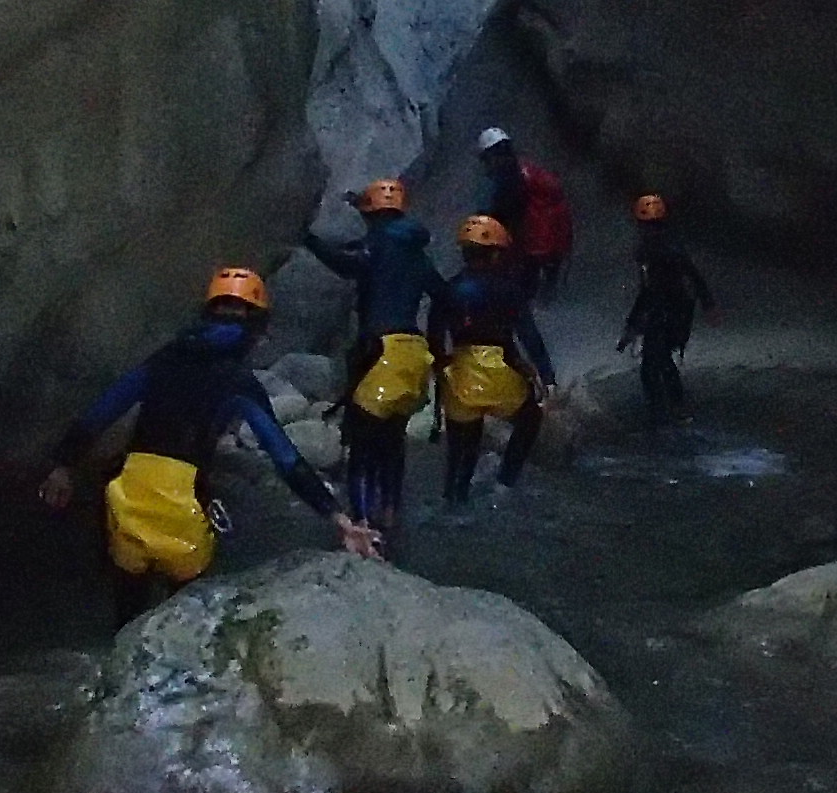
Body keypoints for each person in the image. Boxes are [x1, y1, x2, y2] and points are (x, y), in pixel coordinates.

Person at [40, 267, 377, 624]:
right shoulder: (239, 382)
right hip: (182, 516)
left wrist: (63, 464)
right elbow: (286, 458)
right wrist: (338, 517)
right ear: (257, 326)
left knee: (126, 617)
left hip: (128, 503)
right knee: (183, 622)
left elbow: (102, 410)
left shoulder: (164, 358)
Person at [300, 177, 447, 540]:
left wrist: (308, 240)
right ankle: (391, 515)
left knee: (362, 446)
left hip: (380, 351)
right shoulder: (416, 251)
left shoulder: (376, 243)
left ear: (372, 215)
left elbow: (346, 263)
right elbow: (444, 295)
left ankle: (364, 524)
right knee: (393, 441)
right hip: (413, 353)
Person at [434, 214, 558, 504]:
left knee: (460, 450)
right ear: (494, 254)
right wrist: (547, 375)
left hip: (461, 372)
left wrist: (439, 372)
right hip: (499, 370)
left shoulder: (449, 290)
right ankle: (506, 481)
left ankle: (455, 496)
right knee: (529, 418)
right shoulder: (509, 289)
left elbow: (435, 338)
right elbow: (529, 336)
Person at [618, 192, 717, 427]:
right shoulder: (667, 244)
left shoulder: (654, 249)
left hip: (667, 310)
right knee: (661, 359)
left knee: (652, 364)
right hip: (675, 309)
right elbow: (689, 275)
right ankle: (675, 406)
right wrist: (707, 303)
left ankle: (662, 411)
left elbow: (650, 291)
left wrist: (633, 324)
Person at [474, 125, 577, 300]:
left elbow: (508, 210)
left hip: (535, 242)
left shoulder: (509, 177)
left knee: (525, 284)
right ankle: (546, 305)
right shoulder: (527, 170)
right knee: (547, 279)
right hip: (556, 237)